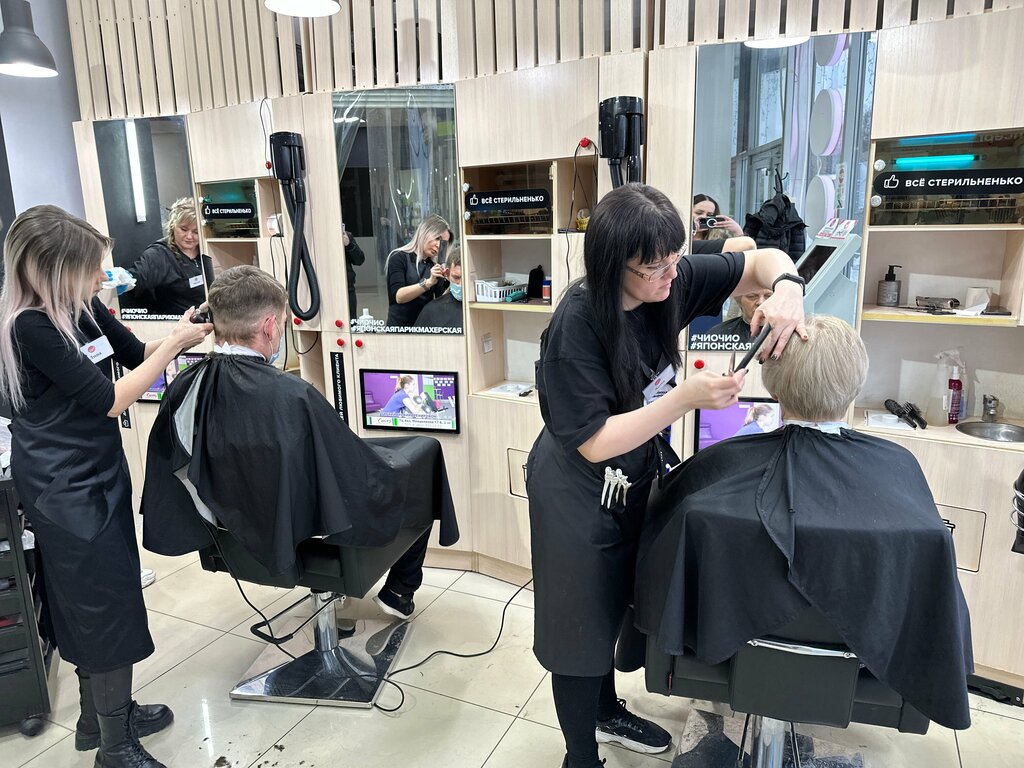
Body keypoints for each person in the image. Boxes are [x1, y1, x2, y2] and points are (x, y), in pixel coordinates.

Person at [527, 183, 807, 768]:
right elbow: (593, 442)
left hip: (631, 474)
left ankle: (605, 710)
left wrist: (787, 288)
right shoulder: (579, 325)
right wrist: (686, 399)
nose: (671, 276)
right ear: (614, 266)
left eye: (675, 260)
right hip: (576, 490)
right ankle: (580, 757)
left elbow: (759, 260)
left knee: (612, 606)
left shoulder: (668, 278)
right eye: (654, 268)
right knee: (579, 629)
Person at [634, 316, 973, 731]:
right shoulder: (900, 465)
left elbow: (657, 560)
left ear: (774, 387)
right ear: (855, 384)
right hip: (862, 664)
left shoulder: (715, 471)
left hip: (726, 651)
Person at [0, 206, 213, 768]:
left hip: (97, 470)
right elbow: (111, 399)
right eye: (91, 268)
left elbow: (135, 355)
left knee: (100, 592)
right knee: (100, 602)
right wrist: (173, 348)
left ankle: (99, 719)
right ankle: (115, 749)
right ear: (52, 269)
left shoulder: (83, 307)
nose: (103, 277)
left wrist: (179, 333)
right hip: (62, 484)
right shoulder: (30, 326)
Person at [140, 266, 459, 621]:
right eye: (281, 324)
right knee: (424, 455)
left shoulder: (185, 386)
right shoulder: (292, 395)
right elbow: (352, 476)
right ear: (269, 326)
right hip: (302, 530)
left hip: (227, 531)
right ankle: (399, 591)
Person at [126, 197, 214, 316]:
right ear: (173, 225)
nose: (189, 236)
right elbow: (136, 277)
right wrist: (122, 280)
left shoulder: (207, 249)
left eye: (196, 232)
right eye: (183, 229)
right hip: (179, 322)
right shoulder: (158, 254)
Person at [384, 214, 451, 327]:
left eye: (443, 243)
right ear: (424, 233)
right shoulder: (398, 257)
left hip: (424, 326)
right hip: (399, 329)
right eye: (437, 238)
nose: (439, 245)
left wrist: (451, 281)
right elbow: (399, 297)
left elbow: (441, 301)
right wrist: (428, 282)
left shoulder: (434, 266)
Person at [413, 246, 463, 331]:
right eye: (456, 277)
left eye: (466, 278)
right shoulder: (432, 310)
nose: (461, 284)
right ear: (447, 274)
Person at [690, 193, 756, 255]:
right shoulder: (684, 234)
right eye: (698, 213)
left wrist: (738, 231)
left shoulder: (720, 236)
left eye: (709, 215)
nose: (704, 217)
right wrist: (692, 229)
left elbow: (745, 253)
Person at [707, 287, 773, 345]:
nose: (761, 302)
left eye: (769, 296)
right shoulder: (718, 335)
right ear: (739, 300)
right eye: (752, 296)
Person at [343, 224, 365, 320]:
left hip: (348, 288)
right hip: (324, 290)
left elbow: (359, 260)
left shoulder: (346, 235)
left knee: (351, 321)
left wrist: (348, 245)